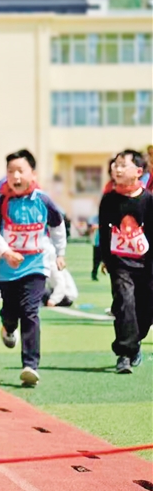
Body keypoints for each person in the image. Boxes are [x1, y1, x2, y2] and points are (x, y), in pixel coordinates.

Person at [0, 149, 66, 387]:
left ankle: (30, 366)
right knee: (11, 311)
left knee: (31, 312)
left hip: (36, 265)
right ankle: (8, 327)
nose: (16, 176)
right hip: (7, 268)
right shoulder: (1, 202)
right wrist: (6, 252)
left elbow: (57, 226)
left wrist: (60, 253)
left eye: (20, 171)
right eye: (11, 171)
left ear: (33, 173)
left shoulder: (43, 200)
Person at [98, 149, 152, 374]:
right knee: (124, 302)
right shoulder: (109, 200)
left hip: (147, 264)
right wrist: (105, 259)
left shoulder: (148, 201)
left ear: (138, 171)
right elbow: (104, 231)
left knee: (146, 309)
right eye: (115, 165)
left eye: (123, 165)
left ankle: (135, 341)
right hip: (120, 263)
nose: (117, 169)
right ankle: (124, 354)